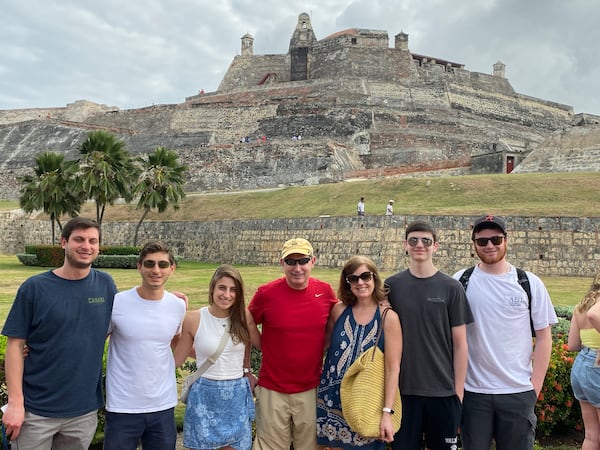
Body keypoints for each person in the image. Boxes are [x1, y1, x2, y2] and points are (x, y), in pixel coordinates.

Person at [1, 217, 117, 450]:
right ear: (63, 242)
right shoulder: (35, 287)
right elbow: (14, 346)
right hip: (36, 411)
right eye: (79, 239)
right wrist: (15, 403)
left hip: (83, 411)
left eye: (93, 241)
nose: (86, 246)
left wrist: (166, 299)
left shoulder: (105, 284)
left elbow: (125, 319)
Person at [453, 214, 557, 450]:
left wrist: (534, 388)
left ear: (506, 240)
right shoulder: (461, 281)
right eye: (482, 241)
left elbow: (543, 337)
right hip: (474, 392)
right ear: (474, 245)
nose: (490, 245)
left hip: (517, 391)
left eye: (496, 239)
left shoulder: (528, 283)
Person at [385, 220, 473, 450]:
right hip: (404, 393)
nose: (419, 245)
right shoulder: (392, 286)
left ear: (436, 246)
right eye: (413, 240)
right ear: (405, 245)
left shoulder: (451, 287)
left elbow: (461, 345)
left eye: (426, 240)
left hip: (443, 393)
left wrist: (458, 393)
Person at [249, 238, 338, 450]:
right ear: (282, 263)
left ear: (313, 261)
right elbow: (244, 320)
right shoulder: (266, 293)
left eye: (303, 261)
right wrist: (258, 350)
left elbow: (338, 322)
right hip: (272, 389)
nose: (297, 268)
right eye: (291, 262)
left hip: (310, 388)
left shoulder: (325, 292)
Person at [103, 241, 186, 450]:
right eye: (149, 264)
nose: (156, 270)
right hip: (123, 406)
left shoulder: (177, 306)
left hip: (163, 406)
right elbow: (92, 340)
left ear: (172, 268)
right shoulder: (117, 302)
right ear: (139, 266)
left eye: (162, 264)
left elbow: (176, 340)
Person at [317, 255, 402, 449]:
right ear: (347, 283)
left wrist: (387, 412)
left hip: (366, 402)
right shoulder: (339, 311)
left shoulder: (388, 318)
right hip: (332, 402)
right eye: (353, 279)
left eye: (366, 276)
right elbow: (323, 346)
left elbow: (392, 369)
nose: (360, 282)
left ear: (375, 278)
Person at [174, 264, 261, 450]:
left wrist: (247, 369)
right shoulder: (193, 319)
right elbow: (177, 360)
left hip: (235, 395)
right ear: (212, 287)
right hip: (204, 394)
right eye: (222, 287)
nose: (226, 294)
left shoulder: (244, 317)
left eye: (233, 290)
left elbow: (265, 347)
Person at [568, 272, 600, 450]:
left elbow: (572, 345)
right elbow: (594, 315)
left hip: (581, 366)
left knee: (591, 436)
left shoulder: (581, 304)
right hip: (597, 367)